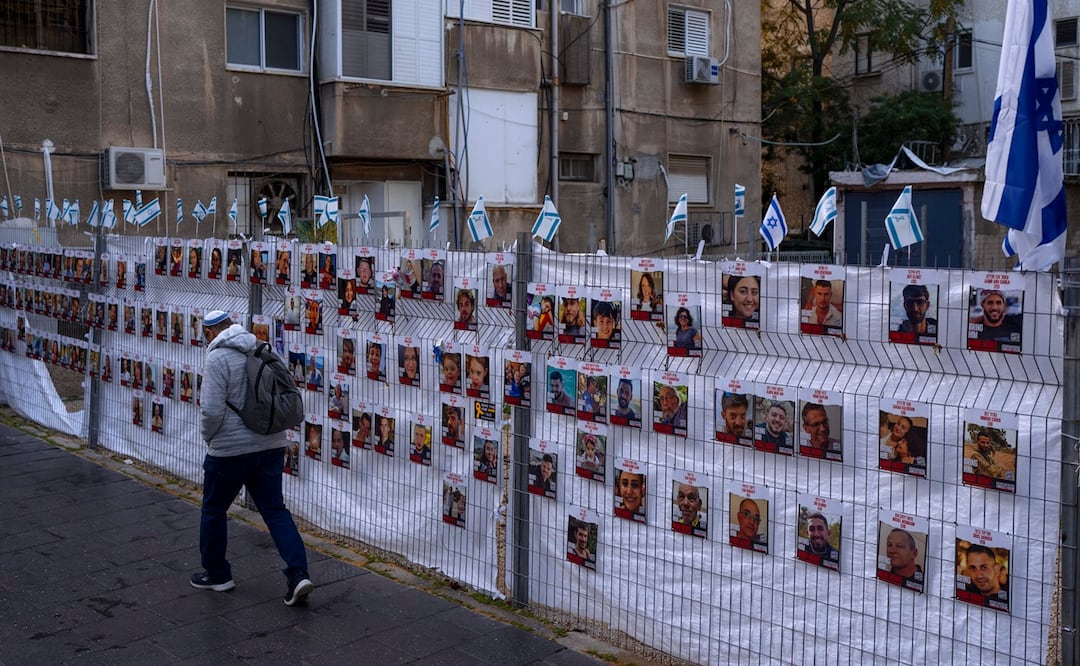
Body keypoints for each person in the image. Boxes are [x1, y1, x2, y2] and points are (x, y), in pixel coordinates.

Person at [192, 310, 313, 605]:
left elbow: (211, 410)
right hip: (271, 445)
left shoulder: (217, 358)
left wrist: (210, 439)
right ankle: (298, 575)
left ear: (211, 333)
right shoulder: (261, 348)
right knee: (274, 511)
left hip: (230, 450)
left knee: (214, 510)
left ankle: (218, 574)